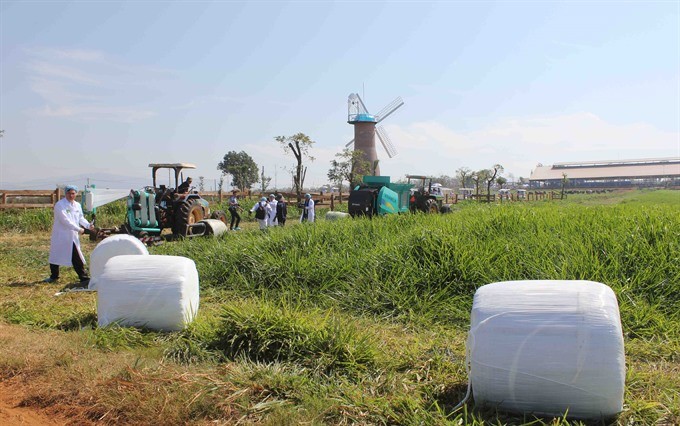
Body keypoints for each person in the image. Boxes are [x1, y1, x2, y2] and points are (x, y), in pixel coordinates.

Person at [44, 185, 94, 285]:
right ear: (65, 193)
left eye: (73, 193)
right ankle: (54, 276)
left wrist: (88, 225)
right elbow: (65, 221)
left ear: (76, 194)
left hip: (72, 235)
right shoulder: (60, 205)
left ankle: (83, 277)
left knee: (75, 255)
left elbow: (80, 218)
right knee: (56, 254)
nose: (71, 195)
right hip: (61, 234)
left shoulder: (77, 205)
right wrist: (79, 229)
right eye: (69, 193)